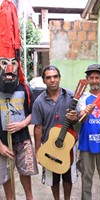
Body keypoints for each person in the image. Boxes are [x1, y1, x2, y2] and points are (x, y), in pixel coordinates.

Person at [0, 1, 38, 199]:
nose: (9, 67)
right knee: (6, 177)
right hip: (2, 141)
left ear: (17, 66)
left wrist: (23, 123)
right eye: (4, 63)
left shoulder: (24, 87)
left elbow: (33, 113)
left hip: (22, 139)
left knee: (25, 174)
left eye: (13, 63)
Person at [31, 65, 79, 200]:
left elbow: (78, 120)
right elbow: (38, 128)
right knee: (53, 179)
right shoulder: (39, 102)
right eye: (49, 77)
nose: (53, 80)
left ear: (59, 78)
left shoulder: (71, 97)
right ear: (44, 80)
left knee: (68, 177)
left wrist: (75, 117)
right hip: (50, 146)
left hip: (68, 145)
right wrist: (38, 151)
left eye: (55, 76)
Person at [77, 64, 100, 200]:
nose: (94, 81)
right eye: (91, 78)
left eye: (97, 78)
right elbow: (80, 118)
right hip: (86, 144)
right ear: (87, 80)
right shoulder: (83, 97)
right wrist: (86, 112)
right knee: (86, 176)